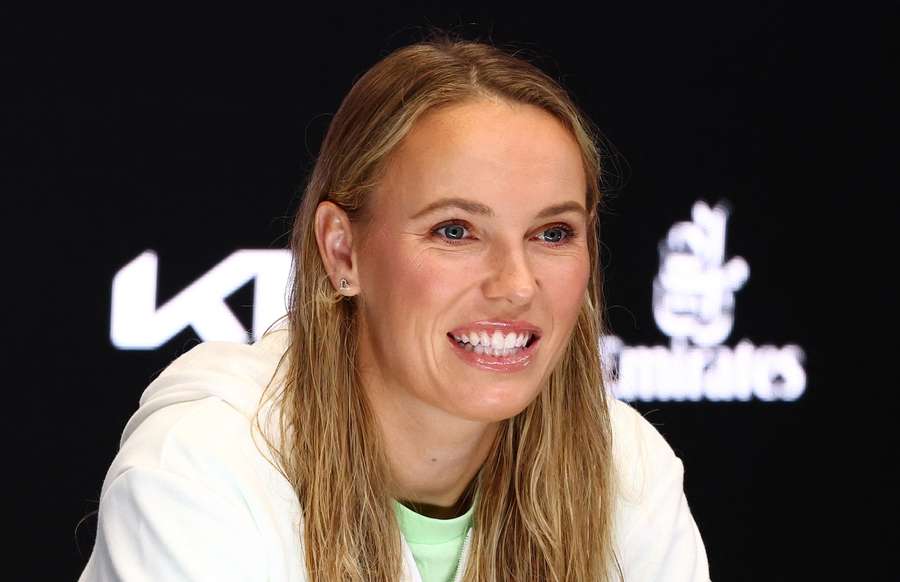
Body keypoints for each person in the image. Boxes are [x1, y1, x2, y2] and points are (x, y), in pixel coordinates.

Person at [78, 34, 710, 582]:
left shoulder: (625, 470)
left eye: (552, 234)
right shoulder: (201, 468)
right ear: (342, 251)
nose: (516, 285)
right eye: (455, 231)